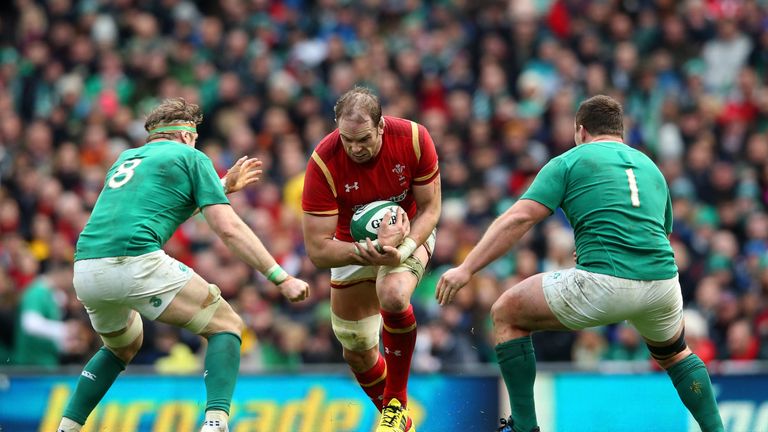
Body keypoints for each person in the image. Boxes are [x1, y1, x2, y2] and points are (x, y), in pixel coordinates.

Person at [436, 95, 724, 432]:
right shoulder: (650, 167)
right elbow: (655, 231)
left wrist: (466, 268)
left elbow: (519, 218)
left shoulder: (570, 160)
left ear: (581, 130)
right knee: (675, 353)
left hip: (606, 282)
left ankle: (525, 427)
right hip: (663, 284)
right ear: (620, 131)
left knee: (506, 313)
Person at [57, 98, 310, 432]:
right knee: (227, 326)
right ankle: (215, 425)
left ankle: (67, 427)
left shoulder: (125, 159)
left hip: (87, 268)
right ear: (187, 136)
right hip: (135, 261)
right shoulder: (191, 156)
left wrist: (220, 187)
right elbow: (228, 227)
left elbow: (162, 207)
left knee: (122, 346)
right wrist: (279, 277)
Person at [302, 86, 441, 432]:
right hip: (352, 246)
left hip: (409, 233)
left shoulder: (412, 138)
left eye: (363, 139)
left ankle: (395, 405)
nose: (355, 148)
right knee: (357, 348)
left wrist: (403, 249)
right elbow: (318, 250)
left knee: (393, 294)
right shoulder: (324, 161)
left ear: (381, 126)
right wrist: (364, 251)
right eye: (347, 139)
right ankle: (403, 425)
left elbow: (431, 208)